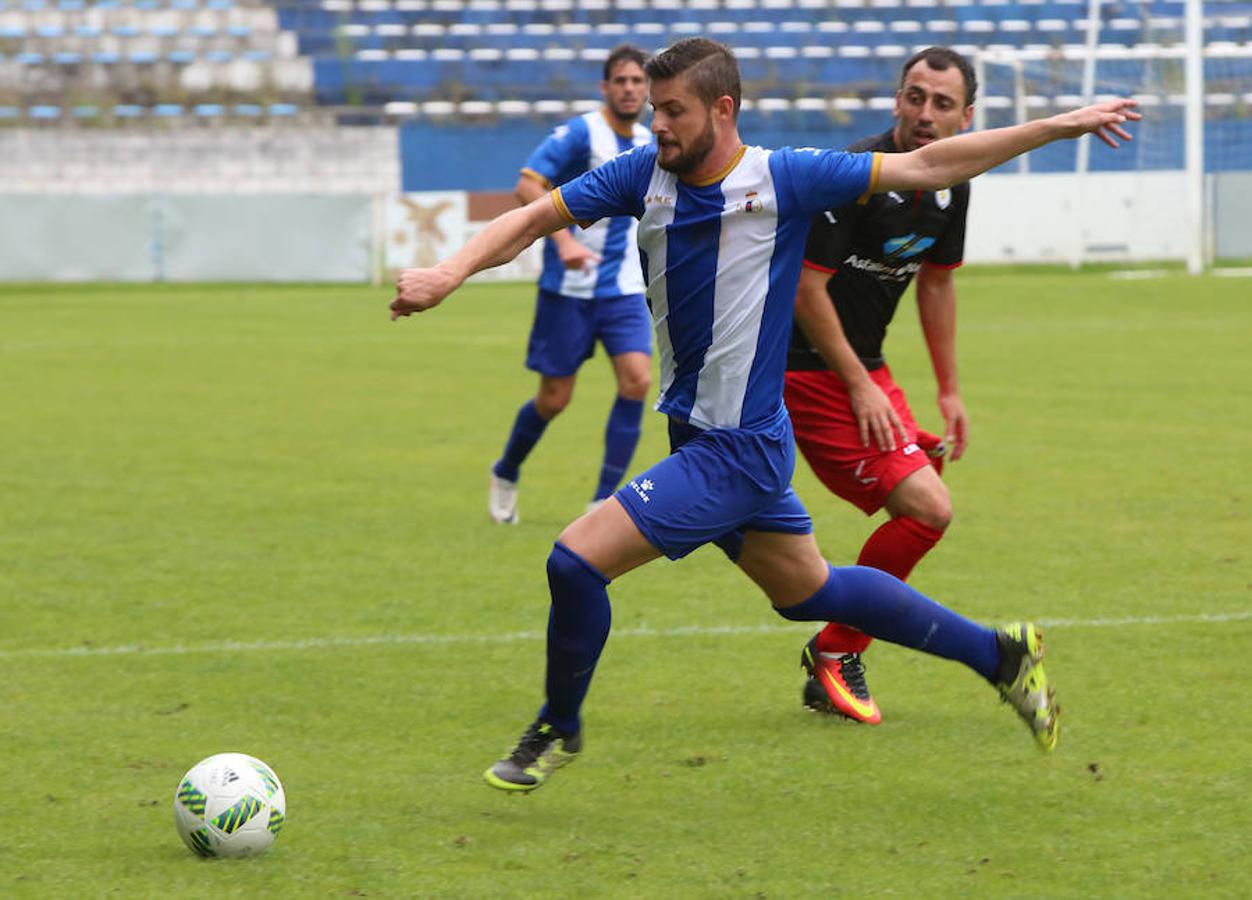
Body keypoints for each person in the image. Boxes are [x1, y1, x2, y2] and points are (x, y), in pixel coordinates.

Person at [391, 38, 1137, 793]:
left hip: (737, 451)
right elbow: (528, 219)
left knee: (575, 561)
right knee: (813, 592)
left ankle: (558, 726)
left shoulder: (785, 177)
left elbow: (930, 166)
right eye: (654, 111)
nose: (660, 127)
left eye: (674, 111)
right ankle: (1000, 654)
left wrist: (1057, 125)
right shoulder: (641, 174)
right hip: (707, 437)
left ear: (723, 109)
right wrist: (448, 273)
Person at [787, 47, 980, 725]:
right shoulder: (855, 177)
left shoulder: (954, 183)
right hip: (801, 368)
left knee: (926, 475)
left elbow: (937, 281)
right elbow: (807, 292)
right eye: (915, 97)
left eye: (941, 103)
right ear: (897, 99)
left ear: (967, 116)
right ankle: (836, 650)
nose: (925, 114)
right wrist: (861, 387)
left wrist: (948, 390)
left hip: (860, 365)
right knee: (928, 508)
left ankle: (835, 646)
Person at [488, 45, 655, 524]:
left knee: (638, 381)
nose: (629, 89)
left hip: (622, 288)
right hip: (569, 289)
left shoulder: (649, 140)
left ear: (647, 89)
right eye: (620, 81)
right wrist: (564, 244)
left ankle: (601, 502)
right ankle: (506, 469)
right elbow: (528, 184)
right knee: (554, 398)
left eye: (637, 81)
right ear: (605, 88)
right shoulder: (583, 132)